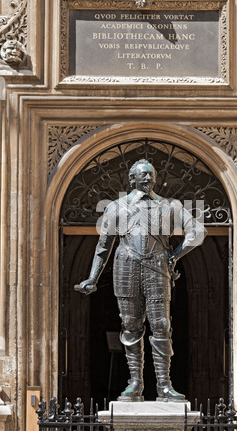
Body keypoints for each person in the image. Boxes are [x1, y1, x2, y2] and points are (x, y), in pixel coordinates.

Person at [75, 159, 206, 402]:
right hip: (126, 266)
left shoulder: (170, 206)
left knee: (162, 325)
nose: (147, 179)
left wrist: (174, 255)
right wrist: (92, 278)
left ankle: (164, 385)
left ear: (156, 178)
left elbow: (197, 231)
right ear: (132, 179)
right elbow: (103, 246)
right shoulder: (116, 207)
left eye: (151, 175)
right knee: (130, 325)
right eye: (142, 175)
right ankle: (135, 382)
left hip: (157, 267)